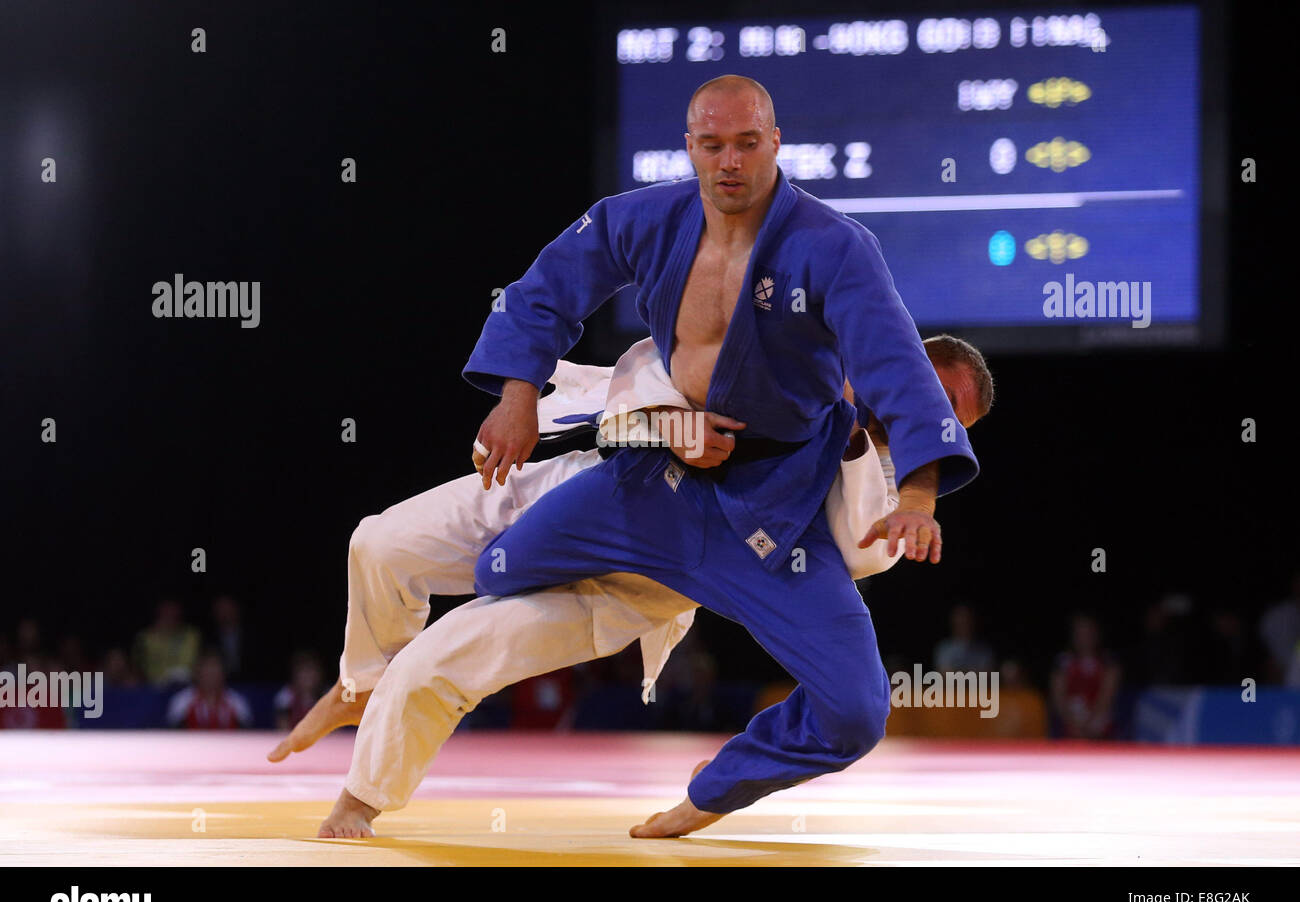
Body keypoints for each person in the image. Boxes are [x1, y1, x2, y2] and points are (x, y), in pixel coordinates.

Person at [460, 73, 979, 836]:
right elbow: (547, 287)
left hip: (776, 506)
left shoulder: (834, 247)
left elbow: (896, 366)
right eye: (712, 145)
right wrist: (516, 394)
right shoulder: (649, 218)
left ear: (775, 143)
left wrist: (920, 496)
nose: (728, 161)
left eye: (745, 143)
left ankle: (717, 788)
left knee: (857, 710)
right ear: (690, 147)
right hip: (655, 480)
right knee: (494, 571)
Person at [271, 334, 990, 837]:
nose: (926, 419)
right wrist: (670, 423)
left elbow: (857, 552)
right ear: (899, 354)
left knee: (444, 658)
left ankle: (361, 799)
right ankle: (360, 681)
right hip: (591, 483)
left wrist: (861, 437)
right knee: (379, 541)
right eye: (927, 392)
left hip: (634, 585)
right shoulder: (799, 352)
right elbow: (664, 359)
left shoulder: (894, 492)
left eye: (947, 422)